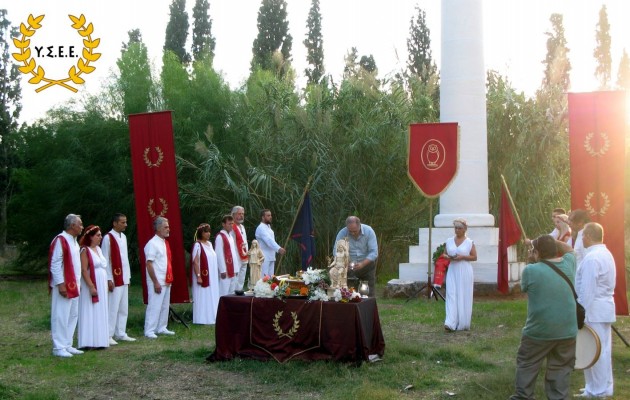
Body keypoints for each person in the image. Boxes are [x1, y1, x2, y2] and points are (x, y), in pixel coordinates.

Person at [510, 235, 577, 400]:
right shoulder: (569, 264)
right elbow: (569, 249)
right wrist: (550, 242)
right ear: (556, 249)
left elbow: (525, 287)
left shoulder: (531, 270)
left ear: (537, 252)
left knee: (528, 364)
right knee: (560, 367)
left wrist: (533, 252)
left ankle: (523, 396)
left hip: (539, 331)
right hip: (567, 330)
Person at [575, 222, 616, 398]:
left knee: (595, 350)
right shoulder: (604, 253)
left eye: (583, 235)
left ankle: (598, 390)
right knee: (602, 349)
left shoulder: (592, 258)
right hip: (603, 308)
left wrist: (580, 313)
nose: (581, 238)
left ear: (589, 236)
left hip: (593, 310)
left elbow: (588, 290)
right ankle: (599, 386)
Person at [49, 214, 84, 357]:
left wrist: (78, 282)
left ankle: (67, 343)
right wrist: (60, 284)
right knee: (61, 315)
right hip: (64, 285)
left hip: (74, 284)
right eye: (80, 224)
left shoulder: (75, 242)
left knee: (72, 314)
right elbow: (55, 263)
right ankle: (58, 347)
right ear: (72, 226)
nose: (82, 227)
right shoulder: (60, 240)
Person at [101, 213, 136, 345]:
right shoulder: (108, 238)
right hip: (114, 278)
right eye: (122, 222)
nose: (125, 225)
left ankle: (120, 332)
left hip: (124, 277)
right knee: (113, 307)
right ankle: (109, 334)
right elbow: (106, 259)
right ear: (115, 223)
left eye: (126, 222)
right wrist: (109, 278)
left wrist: (128, 276)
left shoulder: (124, 237)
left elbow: (125, 258)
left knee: (123, 307)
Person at [77, 225, 110, 349]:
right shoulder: (85, 250)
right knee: (90, 309)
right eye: (98, 235)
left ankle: (100, 340)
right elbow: (84, 270)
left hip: (101, 282)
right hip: (91, 283)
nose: (100, 237)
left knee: (100, 309)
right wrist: (91, 286)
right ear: (90, 237)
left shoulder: (99, 249)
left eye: (101, 235)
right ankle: (88, 341)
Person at [143, 217, 175, 338]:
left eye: (168, 226)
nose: (168, 229)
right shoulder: (152, 244)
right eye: (165, 227)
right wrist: (155, 281)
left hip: (166, 278)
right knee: (154, 305)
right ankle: (149, 329)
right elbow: (149, 263)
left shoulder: (164, 243)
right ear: (158, 228)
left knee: (164, 305)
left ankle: (161, 327)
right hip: (157, 280)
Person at [443, 218, 477, 331]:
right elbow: (444, 253)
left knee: (463, 294)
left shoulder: (469, 242)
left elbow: (474, 257)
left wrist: (462, 257)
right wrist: (447, 257)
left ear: (464, 229)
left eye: (459, 228)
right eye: (456, 228)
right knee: (451, 293)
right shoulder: (449, 241)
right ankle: (450, 322)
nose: (457, 230)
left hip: (464, 270)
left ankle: (462, 322)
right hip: (453, 269)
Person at [334, 216, 378, 297]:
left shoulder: (369, 231)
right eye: (350, 231)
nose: (352, 233)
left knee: (367, 293)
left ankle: (367, 307)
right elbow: (336, 252)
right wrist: (345, 263)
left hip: (367, 266)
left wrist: (362, 264)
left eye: (355, 231)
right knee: (350, 293)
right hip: (349, 267)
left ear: (359, 225)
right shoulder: (342, 233)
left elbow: (374, 252)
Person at [191, 223, 220, 325]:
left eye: (209, 231)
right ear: (200, 233)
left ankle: (213, 316)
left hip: (212, 275)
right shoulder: (197, 245)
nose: (208, 234)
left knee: (212, 295)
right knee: (203, 295)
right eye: (205, 232)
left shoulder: (210, 244)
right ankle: (202, 318)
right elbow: (196, 261)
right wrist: (198, 276)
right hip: (203, 275)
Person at [255, 209, 285, 278]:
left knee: (271, 278)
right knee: (264, 278)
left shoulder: (268, 227)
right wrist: (278, 248)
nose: (270, 217)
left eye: (270, 215)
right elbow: (268, 240)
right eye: (268, 215)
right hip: (263, 257)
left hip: (271, 256)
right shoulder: (261, 228)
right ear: (263, 217)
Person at [215, 215, 240, 296]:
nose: (231, 225)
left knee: (231, 292)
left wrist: (236, 269)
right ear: (223, 224)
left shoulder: (231, 237)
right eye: (229, 224)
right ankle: (221, 308)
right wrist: (222, 270)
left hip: (233, 269)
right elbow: (219, 254)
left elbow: (234, 254)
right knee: (223, 292)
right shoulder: (220, 237)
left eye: (232, 224)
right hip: (225, 269)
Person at [230, 206, 249, 291]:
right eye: (239, 214)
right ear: (233, 215)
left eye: (242, 214)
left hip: (244, 255)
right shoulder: (231, 227)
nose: (241, 216)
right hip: (236, 256)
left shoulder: (242, 227)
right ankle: (233, 295)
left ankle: (239, 293)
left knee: (242, 277)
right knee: (235, 278)